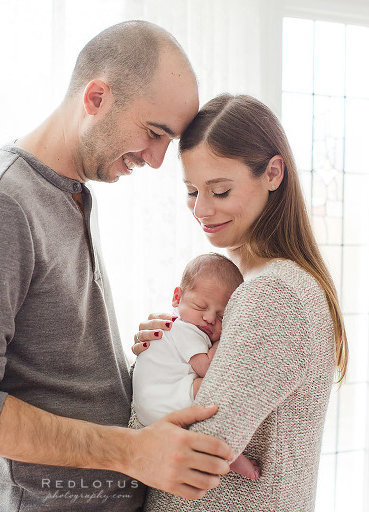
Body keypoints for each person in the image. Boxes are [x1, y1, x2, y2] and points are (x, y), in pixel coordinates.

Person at [0, 21, 257, 512]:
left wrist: (141, 365)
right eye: (154, 133)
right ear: (96, 98)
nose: (158, 160)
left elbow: (52, 371)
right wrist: (130, 452)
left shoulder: (72, 193)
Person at [132, 94, 349, 511]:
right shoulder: (253, 285)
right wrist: (163, 353)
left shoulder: (271, 294)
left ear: (272, 173)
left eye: (220, 190)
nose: (202, 210)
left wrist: (146, 383)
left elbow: (195, 455)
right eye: (192, 191)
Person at [132, 253, 243, 427]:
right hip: (162, 402)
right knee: (214, 387)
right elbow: (206, 368)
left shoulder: (182, 327)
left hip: (149, 407)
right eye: (200, 307)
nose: (209, 318)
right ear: (177, 297)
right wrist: (223, 341)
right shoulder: (183, 328)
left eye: (221, 316)